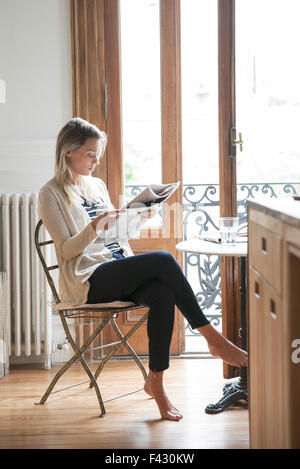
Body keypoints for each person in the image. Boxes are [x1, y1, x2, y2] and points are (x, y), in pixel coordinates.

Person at [39, 117, 248, 422]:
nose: (96, 161)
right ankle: (211, 338)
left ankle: (156, 384)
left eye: (97, 154)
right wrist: (95, 225)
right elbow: (68, 251)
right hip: (88, 279)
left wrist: (137, 219)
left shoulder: (95, 186)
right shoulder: (50, 194)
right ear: (68, 151)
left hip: (115, 267)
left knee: (163, 292)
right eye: (90, 154)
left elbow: (115, 236)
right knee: (163, 259)